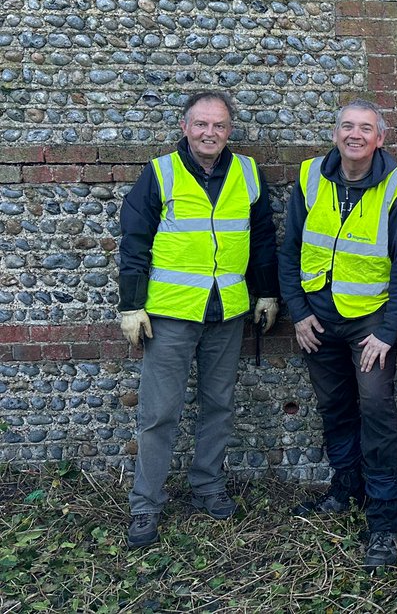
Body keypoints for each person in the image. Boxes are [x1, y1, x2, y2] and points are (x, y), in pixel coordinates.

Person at [117, 90, 279, 549]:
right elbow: (134, 241)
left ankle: (208, 487)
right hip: (170, 315)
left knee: (219, 405)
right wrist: (131, 304)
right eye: (202, 124)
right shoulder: (161, 173)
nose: (211, 133)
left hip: (227, 310)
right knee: (159, 413)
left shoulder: (247, 173)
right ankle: (146, 504)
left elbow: (263, 236)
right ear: (185, 127)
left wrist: (266, 292)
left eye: (220, 125)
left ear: (230, 130)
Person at [278, 99, 397, 569]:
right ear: (336, 133)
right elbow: (290, 252)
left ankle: (384, 519)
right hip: (317, 320)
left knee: (377, 413)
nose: (354, 135)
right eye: (347, 126)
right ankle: (346, 489)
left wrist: (385, 333)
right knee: (334, 408)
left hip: (369, 326)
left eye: (365, 128)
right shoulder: (311, 178)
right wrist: (298, 313)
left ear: (380, 138)